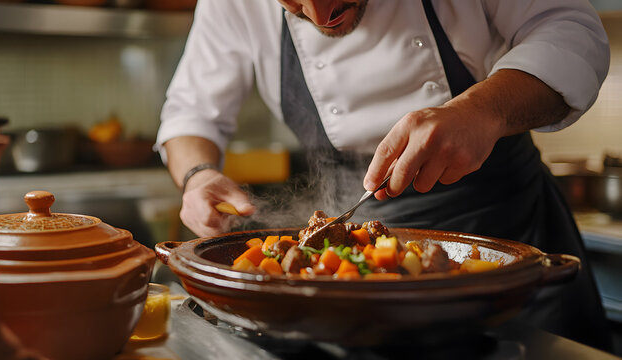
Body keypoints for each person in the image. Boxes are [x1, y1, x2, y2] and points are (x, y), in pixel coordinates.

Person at [156, 0, 612, 351]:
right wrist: (197, 176)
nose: (321, 14)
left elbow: (572, 33)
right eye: (293, 3)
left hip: (507, 241)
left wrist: (482, 110)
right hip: (350, 295)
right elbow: (190, 114)